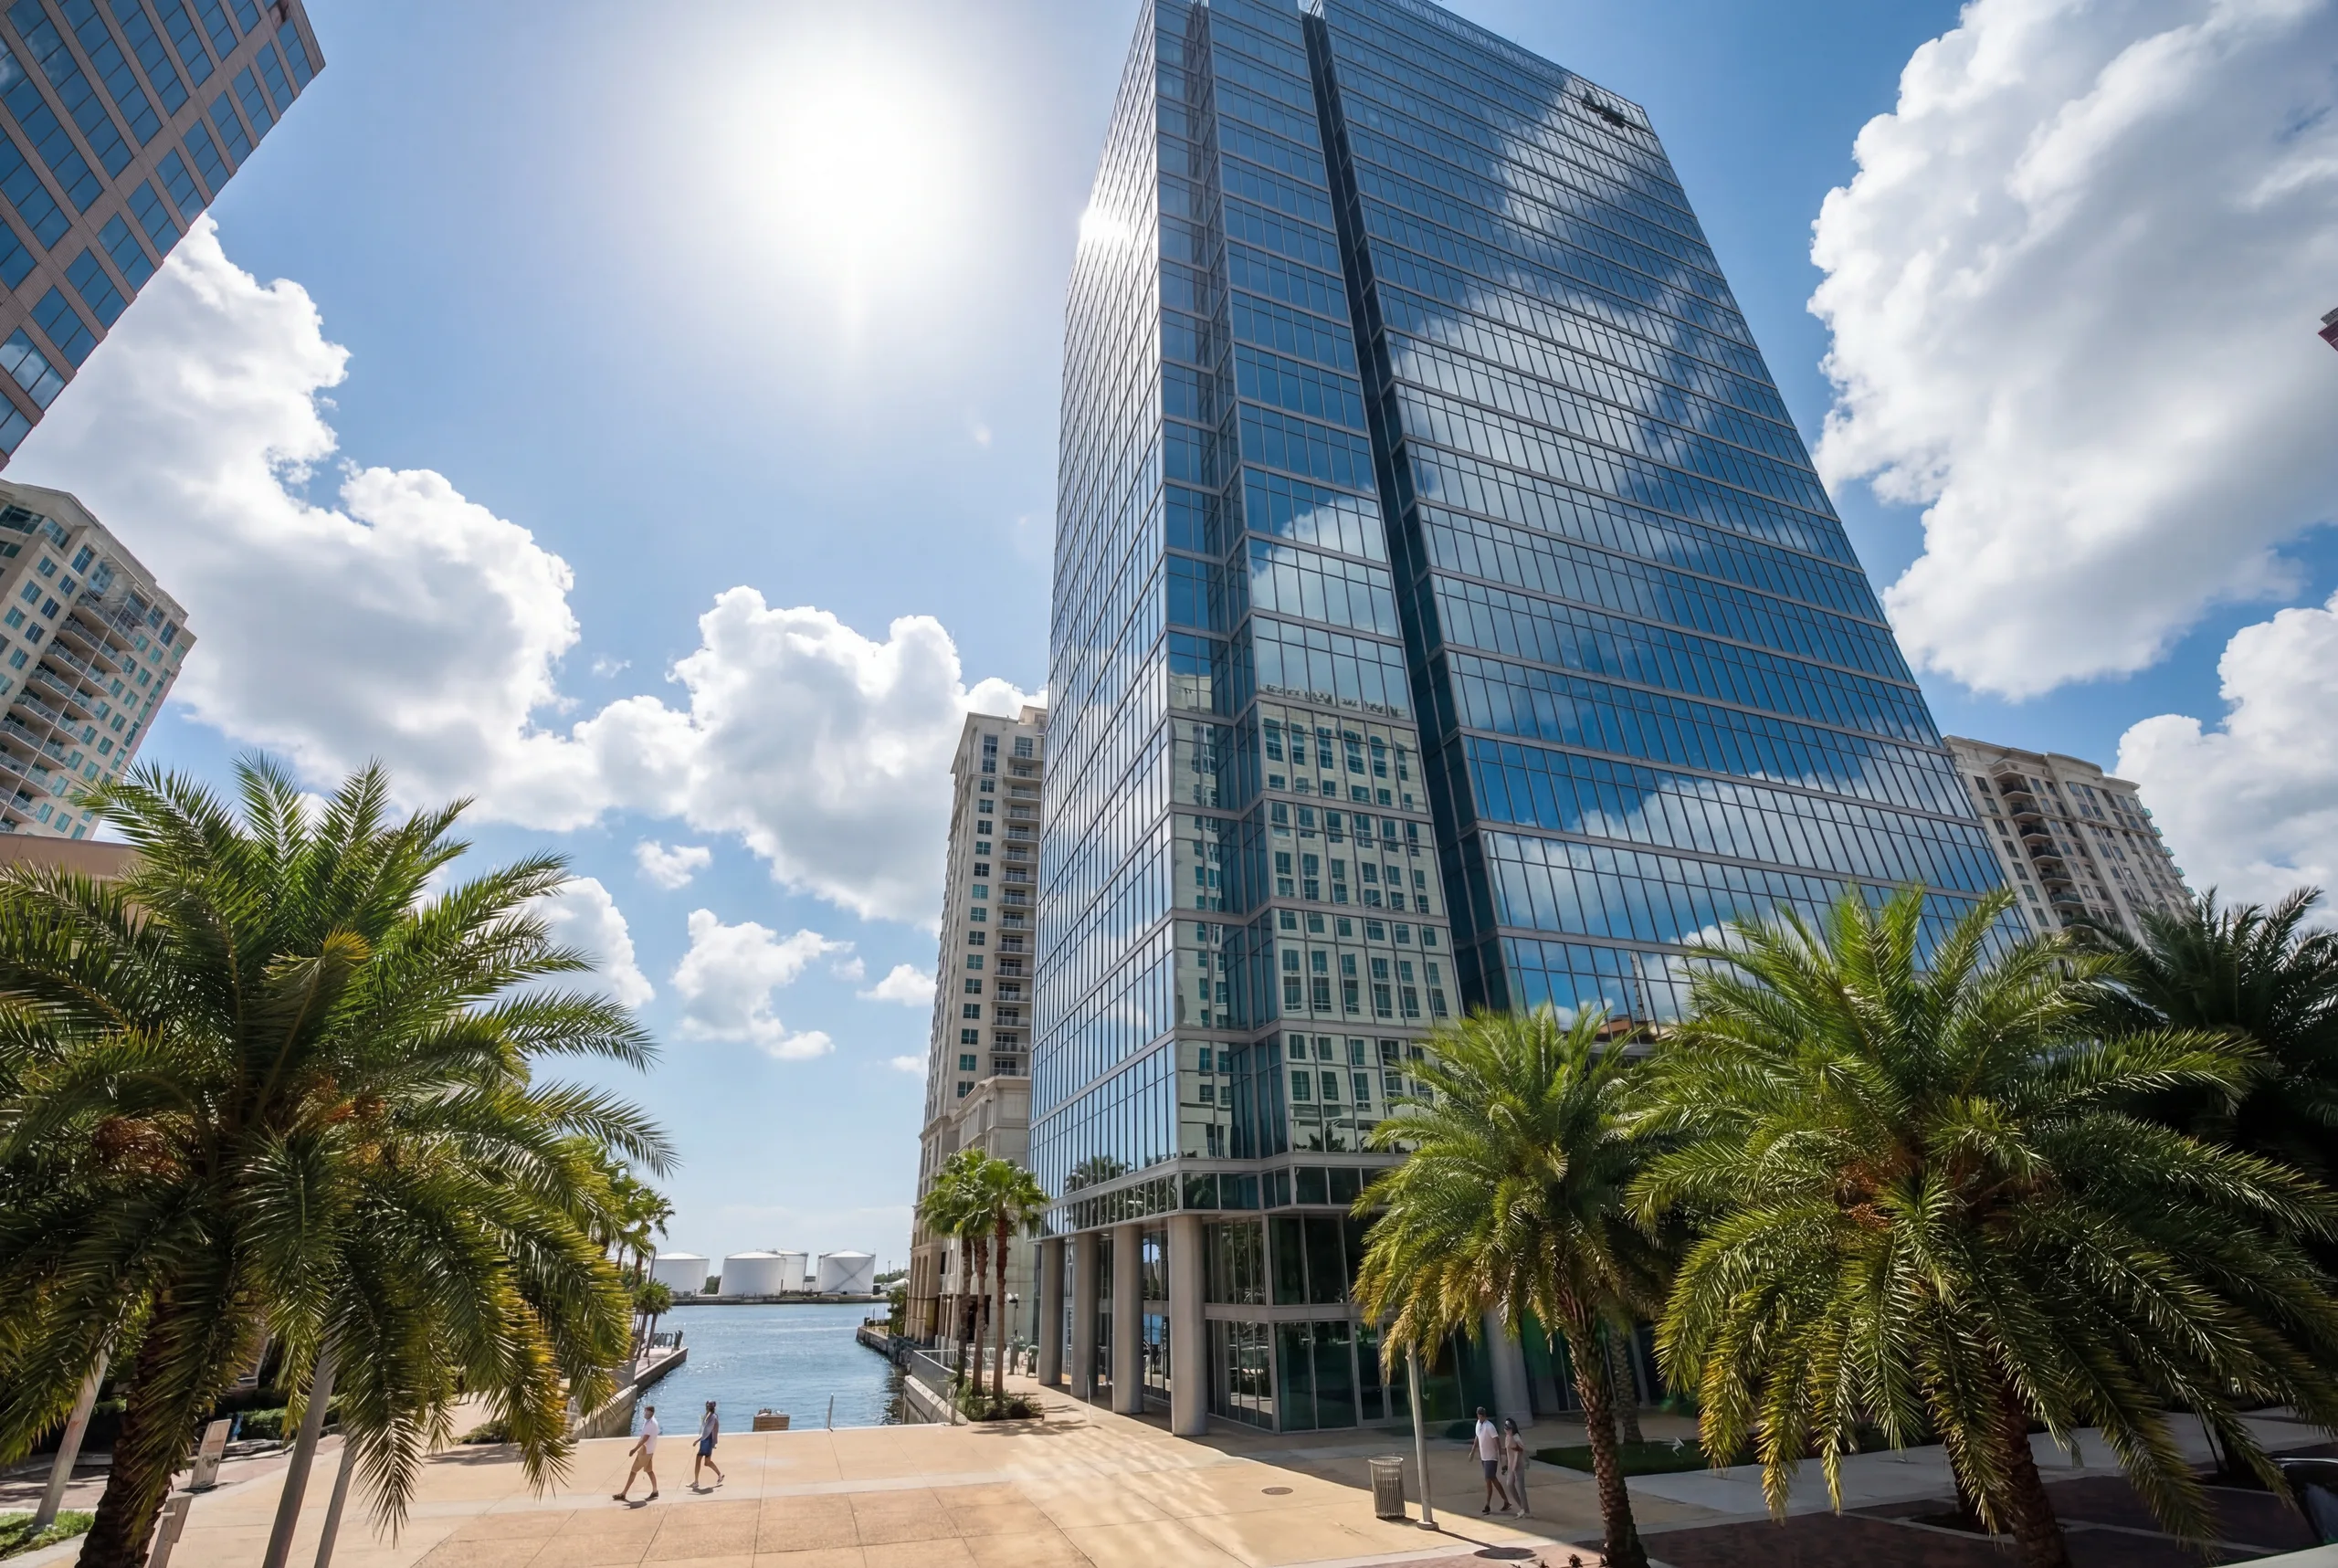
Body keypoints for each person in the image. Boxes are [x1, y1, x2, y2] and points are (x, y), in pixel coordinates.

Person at [615, 1404, 659, 1502]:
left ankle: (623, 1494)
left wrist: (634, 1450)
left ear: (650, 1412)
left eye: (646, 1411)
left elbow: (644, 1439)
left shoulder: (650, 1424)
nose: (644, 1413)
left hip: (645, 1451)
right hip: (649, 1451)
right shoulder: (651, 1422)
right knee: (649, 1471)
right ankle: (655, 1491)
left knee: (633, 1471)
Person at [1473, 1406, 1513, 1514]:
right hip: (1484, 1457)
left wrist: (1500, 1455)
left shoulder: (1489, 1426)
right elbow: (1477, 1437)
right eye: (1479, 1415)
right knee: (1492, 1480)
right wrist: (1472, 1451)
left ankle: (1487, 1505)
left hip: (1491, 1457)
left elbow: (1496, 1440)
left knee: (1489, 1479)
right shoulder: (1478, 1424)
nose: (1481, 1417)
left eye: (1482, 1415)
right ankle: (1505, 1501)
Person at [1501, 1416, 1531, 1518]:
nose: (1506, 1430)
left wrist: (1515, 1466)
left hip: (1518, 1466)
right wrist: (1506, 1465)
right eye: (1506, 1428)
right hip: (1511, 1466)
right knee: (1509, 1484)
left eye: (1508, 1428)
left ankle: (1525, 1510)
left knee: (1521, 1488)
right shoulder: (1507, 1437)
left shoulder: (1516, 1437)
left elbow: (1519, 1451)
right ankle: (1522, 1507)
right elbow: (1508, 1452)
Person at [692, 1400, 724, 1489]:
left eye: (707, 1406)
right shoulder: (711, 1416)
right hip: (707, 1441)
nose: (706, 1407)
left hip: (706, 1441)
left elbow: (707, 1431)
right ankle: (719, 1475)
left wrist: (698, 1440)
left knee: (698, 1459)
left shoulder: (712, 1417)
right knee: (707, 1462)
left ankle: (696, 1482)